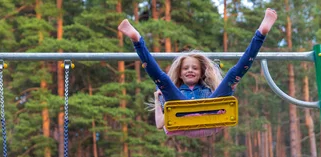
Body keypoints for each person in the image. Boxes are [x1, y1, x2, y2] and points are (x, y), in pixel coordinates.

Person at [118, 9, 277, 136]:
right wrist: (158, 98)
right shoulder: (176, 94)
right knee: (162, 79)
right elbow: (160, 124)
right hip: (182, 118)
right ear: (180, 74)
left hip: (208, 113)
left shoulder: (208, 91)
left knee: (233, 75)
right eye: (186, 68)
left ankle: (261, 34)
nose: (190, 71)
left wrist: (226, 94)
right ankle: (137, 40)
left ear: (202, 73)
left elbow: (224, 110)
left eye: (194, 68)